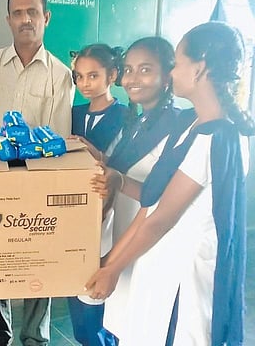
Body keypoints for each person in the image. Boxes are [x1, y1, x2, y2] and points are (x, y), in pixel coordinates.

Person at [87, 21, 254, 345]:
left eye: (177, 63)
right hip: (160, 263)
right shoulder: (192, 125)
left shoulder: (216, 138)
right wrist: (110, 262)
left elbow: (161, 218)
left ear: (200, 69)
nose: (173, 72)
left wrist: (112, 268)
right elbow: (150, 205)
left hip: (184, 277)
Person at [0, 0, 73, 346]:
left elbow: (59, 137)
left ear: (46, 18)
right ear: (8, 19)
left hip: (38, 184)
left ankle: (35, 336)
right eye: (18, 13)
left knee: (41, 258)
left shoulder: (61, 74)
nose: (25, 19)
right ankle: (0, 333)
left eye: (32, 12)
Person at [88, 37, 182, 342]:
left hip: (149, 247)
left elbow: (163, 198)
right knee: (122, 325)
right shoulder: (137, 122)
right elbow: (117, 166)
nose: (132, 79)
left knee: (145, 328)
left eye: (145, 70)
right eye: (128, 70)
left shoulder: (177, 128)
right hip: (123, 238)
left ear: (168, 75)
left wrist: (118, 180)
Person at [67, 44, 127, 346]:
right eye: (79, 77)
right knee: (75, 297)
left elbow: (119, 168)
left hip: (106, 215)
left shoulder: (126, 116)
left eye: (93, 75)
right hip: (70, 215)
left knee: (97, 305)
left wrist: (88, 149)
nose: (84, 84)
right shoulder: (72, 113)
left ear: (112, 74)